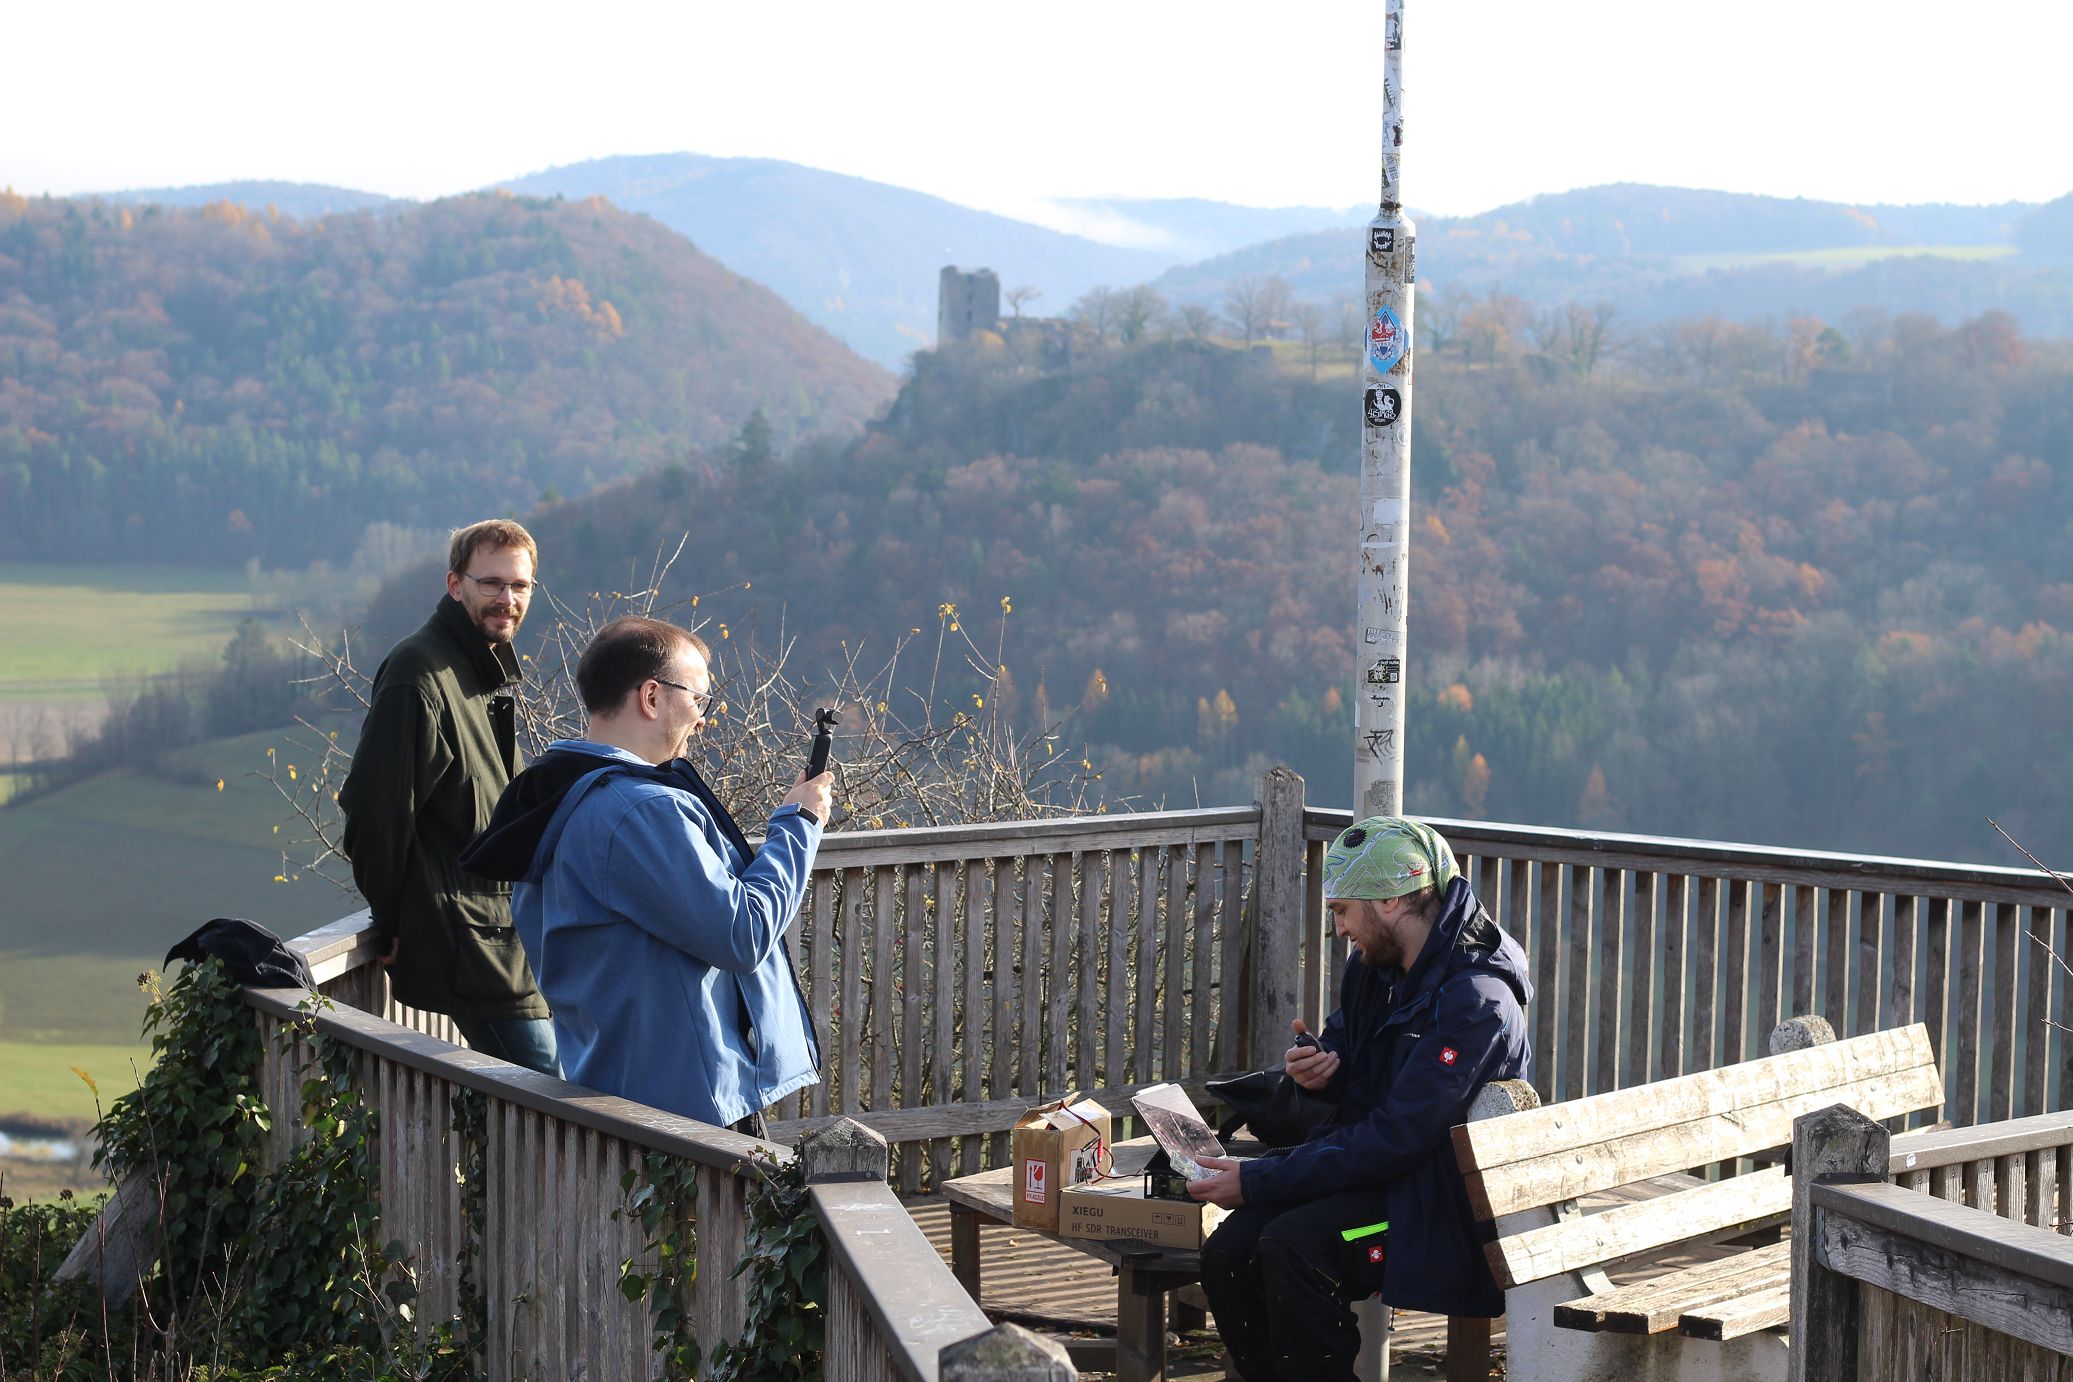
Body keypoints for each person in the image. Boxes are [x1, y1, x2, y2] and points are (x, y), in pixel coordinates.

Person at [1189, 817, 1533, 1382]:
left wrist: (1257, 1180)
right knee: (1227, 1253)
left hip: (1435, 1203)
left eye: (1343, 910)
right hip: (1373, 1172)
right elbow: (1349, 1045)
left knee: (1293, 1249)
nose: (1339, 928)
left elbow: (1398, 1137)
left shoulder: (1476, 1002)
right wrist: (1322, 1067)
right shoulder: (1377, 968)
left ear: (1391, 901)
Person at [459, 616, 830, 1132]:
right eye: (698, 700)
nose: (702, 720)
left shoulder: (558, 793)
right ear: (652, 697)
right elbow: (742, 933)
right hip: (687, 1111)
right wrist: (800, 824)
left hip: (615, 1088)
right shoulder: (637, 811)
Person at [339, 519, 560, 1075]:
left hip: (504, 935)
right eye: (491, 583)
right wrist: (389, 920)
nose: (507, 599)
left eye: (520, 586)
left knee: (559, 1094)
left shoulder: (478, 667)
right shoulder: (419, 672)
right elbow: (375, 810)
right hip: (470, 944)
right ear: (455, 584)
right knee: (554, 1097)